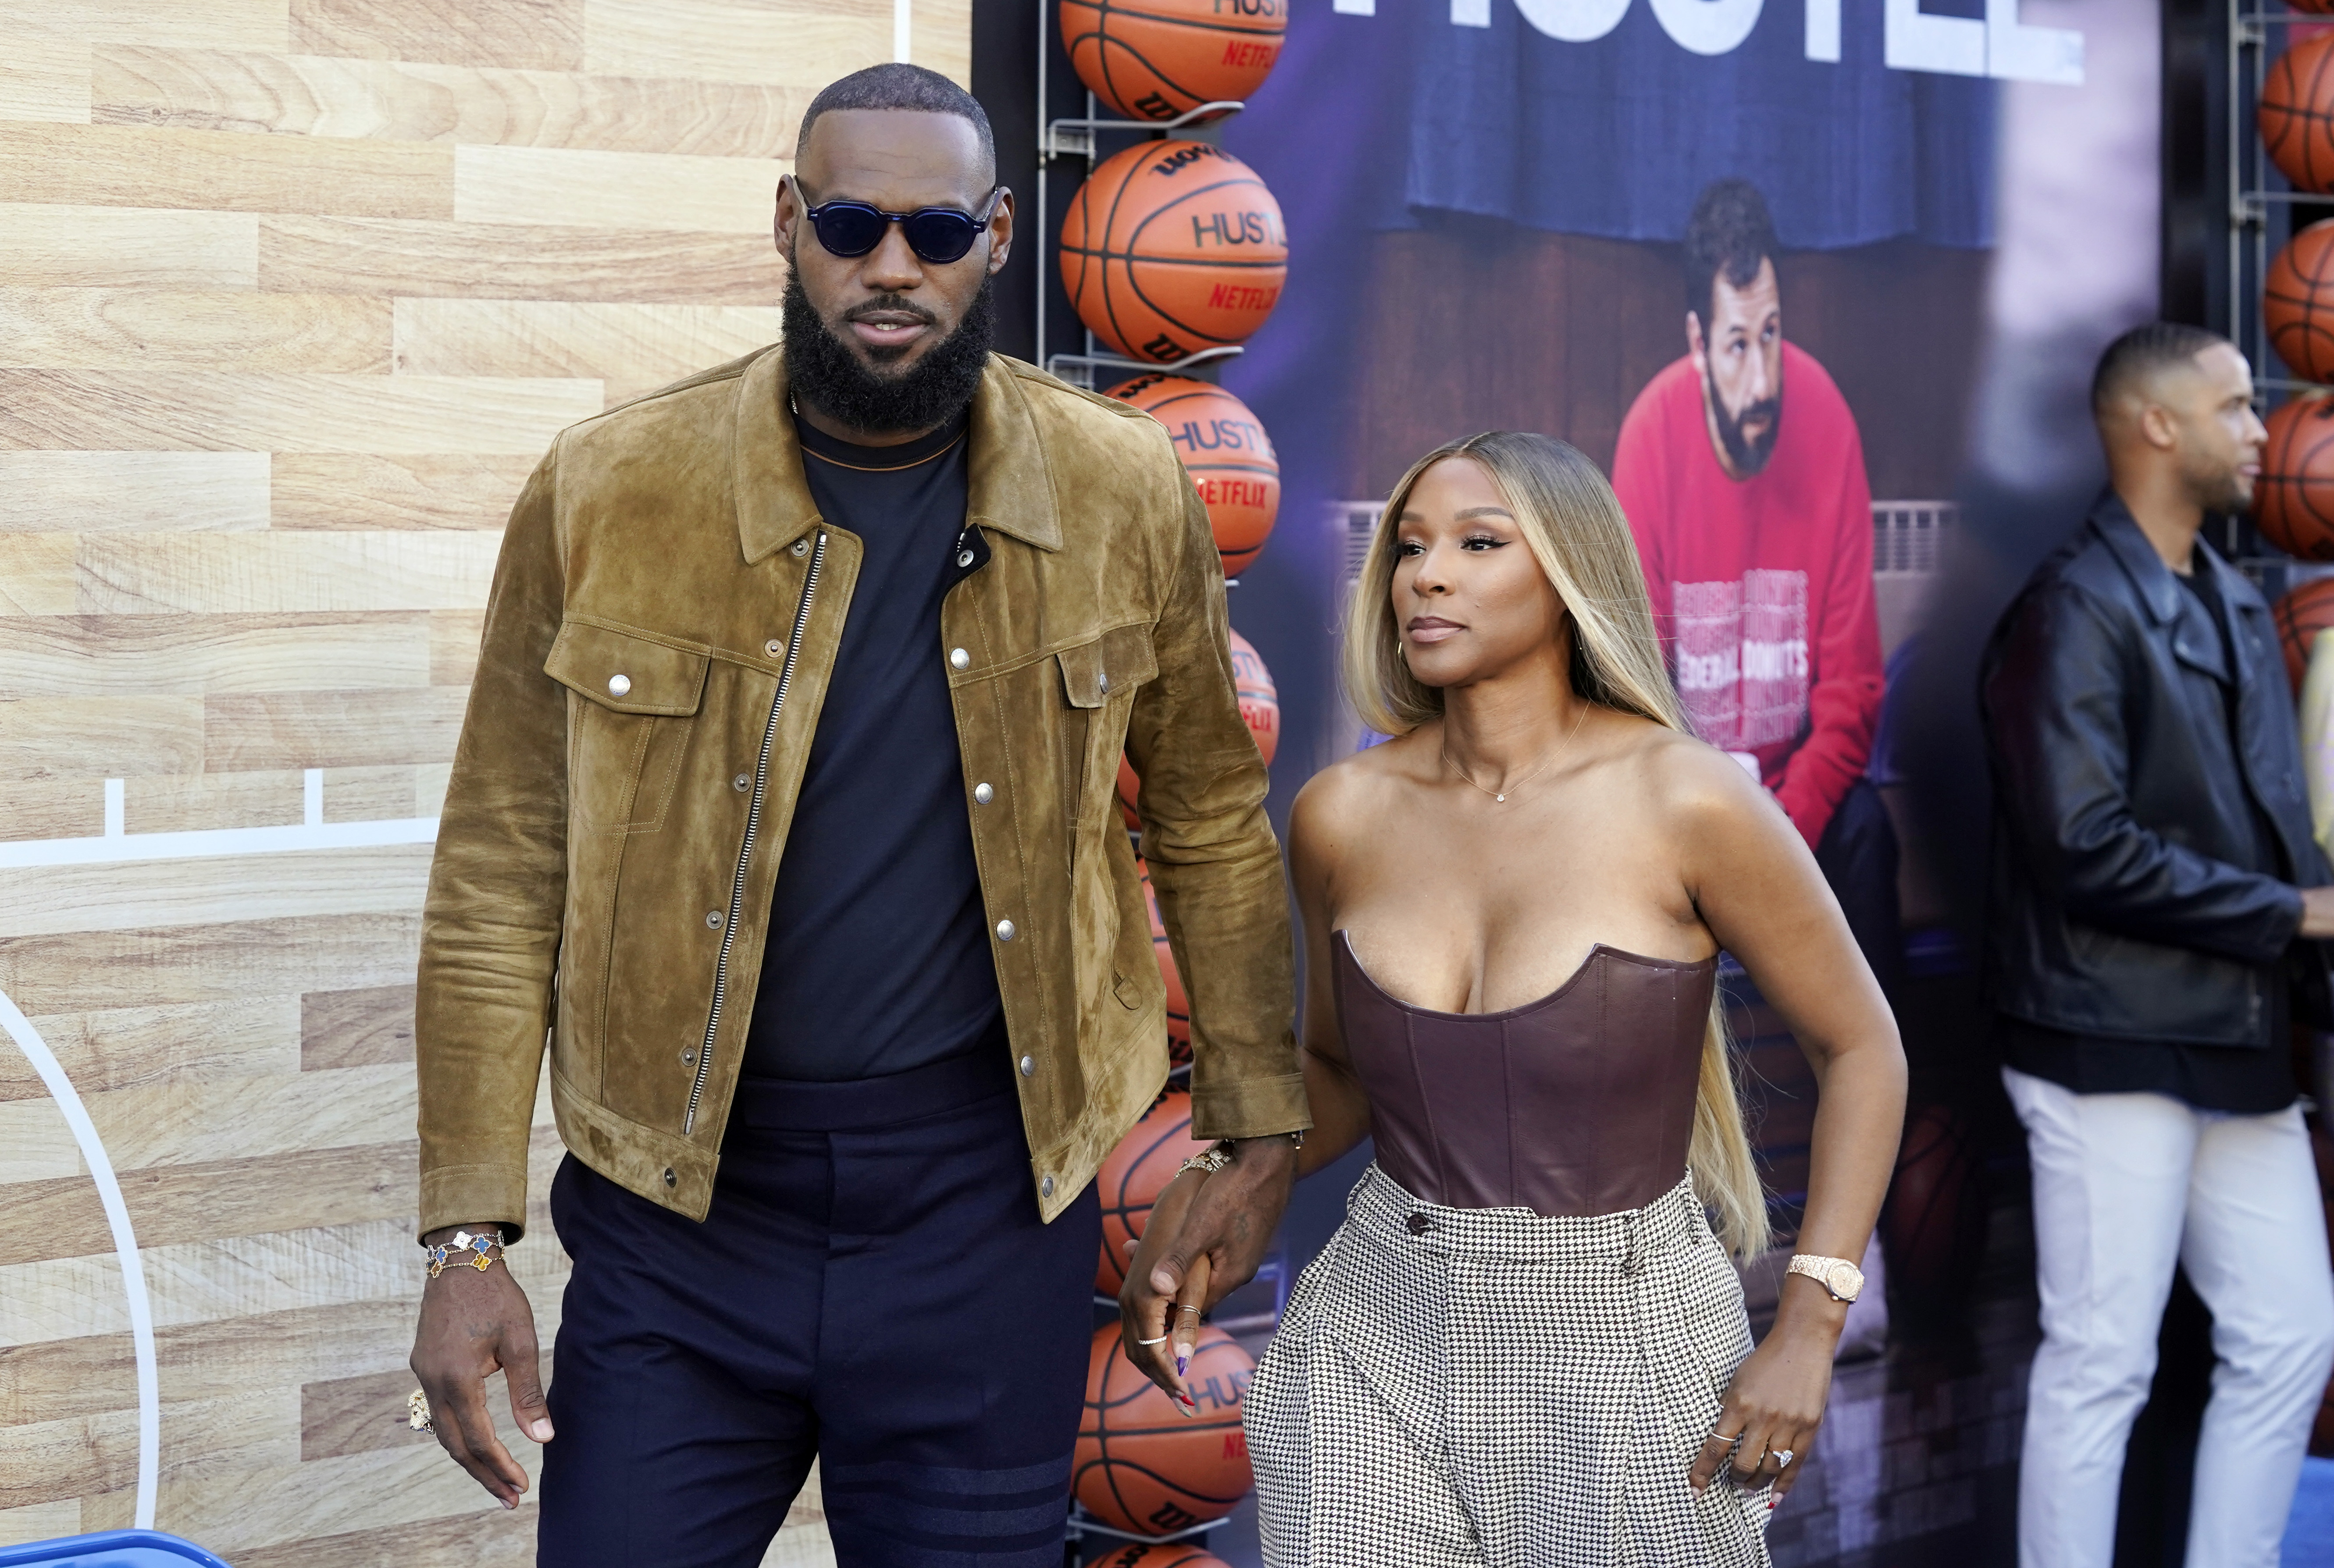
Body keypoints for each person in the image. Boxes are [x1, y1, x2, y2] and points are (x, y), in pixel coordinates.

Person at [405, 64, 1306, 1567]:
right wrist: (464, 1234)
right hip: (677, 1221)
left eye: (937, 231)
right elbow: (502, 866)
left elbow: (1212, 815)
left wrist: (1257, 1122)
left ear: (1002, 236)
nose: (892, 267)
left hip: (981, 1208)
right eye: (848, 221)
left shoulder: (1121, 487)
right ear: (785, 223)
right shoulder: (611, 486)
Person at [1149, 430, 1906, 1564]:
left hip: (1620, 1334)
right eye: (1409, 548)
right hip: (1376, 1325)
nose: (1427, 574)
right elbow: (1341, 1071)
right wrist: (1239, 1166)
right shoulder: (1339, 813)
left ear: (1567, 580)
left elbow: (1863, 1049)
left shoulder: (1685, 800)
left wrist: (1810, 1316)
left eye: (1477, 543)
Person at [1980, 322, 2334, 1568]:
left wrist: (2303, 914)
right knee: (2099, 1366)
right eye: (2236, 405)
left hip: (2229, 1034)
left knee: (2289, 1335)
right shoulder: (2069, 609)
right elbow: (2080, 844)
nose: (2262, 428)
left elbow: (2280, 841)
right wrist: (2290, 915)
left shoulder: (2236, 605)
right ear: (2155, 424)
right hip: (2102, 1036)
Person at [1609, 178, 1898, 996]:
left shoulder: (1824, 416)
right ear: (1699, 342)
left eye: (1772, 334)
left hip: (1797, 799)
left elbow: (1853, 690)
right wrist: (1715, 833)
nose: (1763, 376)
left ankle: (1879, 1107)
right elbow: (1636, 690)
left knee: (1871, 836)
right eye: (1740, 344)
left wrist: (1783, 831)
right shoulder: (1651, 435)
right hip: (1684, 806)